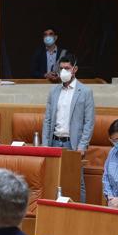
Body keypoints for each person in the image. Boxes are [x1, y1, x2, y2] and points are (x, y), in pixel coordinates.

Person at [42, 53, 94, 202]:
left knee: (77, 182)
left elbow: (89, 122)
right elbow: (48, 119)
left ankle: (80, 215)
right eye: (61, 68)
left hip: (73, 144)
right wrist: (45, 145)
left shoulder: (85, 92)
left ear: (75, 69)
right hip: (54, 142)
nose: (63, 71)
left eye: (67, 68)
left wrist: (82, 146)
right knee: (52, 181)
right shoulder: (54, 91)